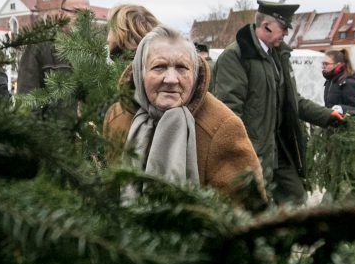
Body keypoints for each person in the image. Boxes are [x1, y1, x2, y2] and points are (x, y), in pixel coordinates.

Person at [103, 25, 266, 207]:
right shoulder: (118, 116)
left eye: (181, 68)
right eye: (159, 67)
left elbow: (247, 213)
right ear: (140, 73)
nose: (171, 79)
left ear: (194, 74)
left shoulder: (222, 128)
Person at [211, 0, 342, 205]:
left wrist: (327, 116)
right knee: (255, 206)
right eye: (283, 28)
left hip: (279, 148)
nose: (286, 34)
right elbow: (228, 111)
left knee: (296, 196)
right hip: (253, 150)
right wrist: (239, 154)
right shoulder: (236, 56)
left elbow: (293, 101)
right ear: (266, 26)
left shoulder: (280, 55)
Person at [16, 0, 91, 93]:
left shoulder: (92, 50)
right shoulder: (39, 46)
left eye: (86, 14)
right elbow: (27, 94)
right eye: (76, 11)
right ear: (61, 15)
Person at [321, 48, 355, 116]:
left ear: (338, 64)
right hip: (332, 123)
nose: (323, 66)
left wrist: (342, 109)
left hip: (345, 124)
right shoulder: (330, 80)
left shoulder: (349, 82)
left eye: (326, 64)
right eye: (323, 63)